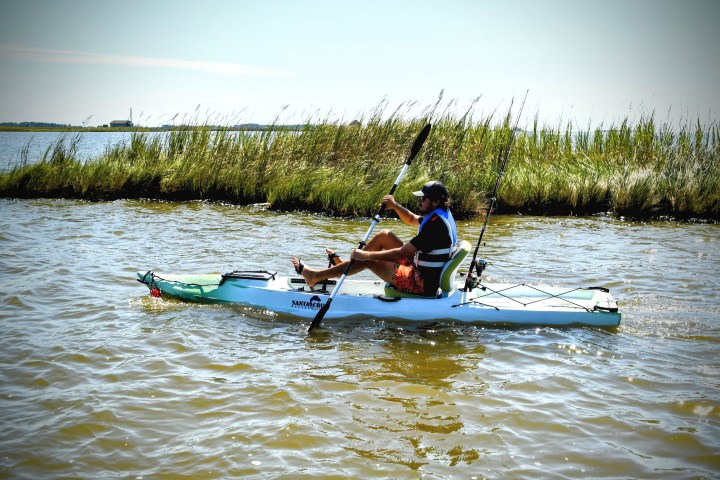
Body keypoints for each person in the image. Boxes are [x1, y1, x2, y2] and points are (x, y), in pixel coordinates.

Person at [292, 180, 458, 297]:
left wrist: (367, 256)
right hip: (423, 269)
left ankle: (315, 276)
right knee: (384, 235)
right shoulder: (441, 214)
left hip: (422, 283)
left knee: (367, 261)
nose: (419, 201)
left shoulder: (435, 225)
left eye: (423, 198)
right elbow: (412, 219)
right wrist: (394, 206)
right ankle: (346, 266)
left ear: (436, 201)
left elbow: (401, 254)